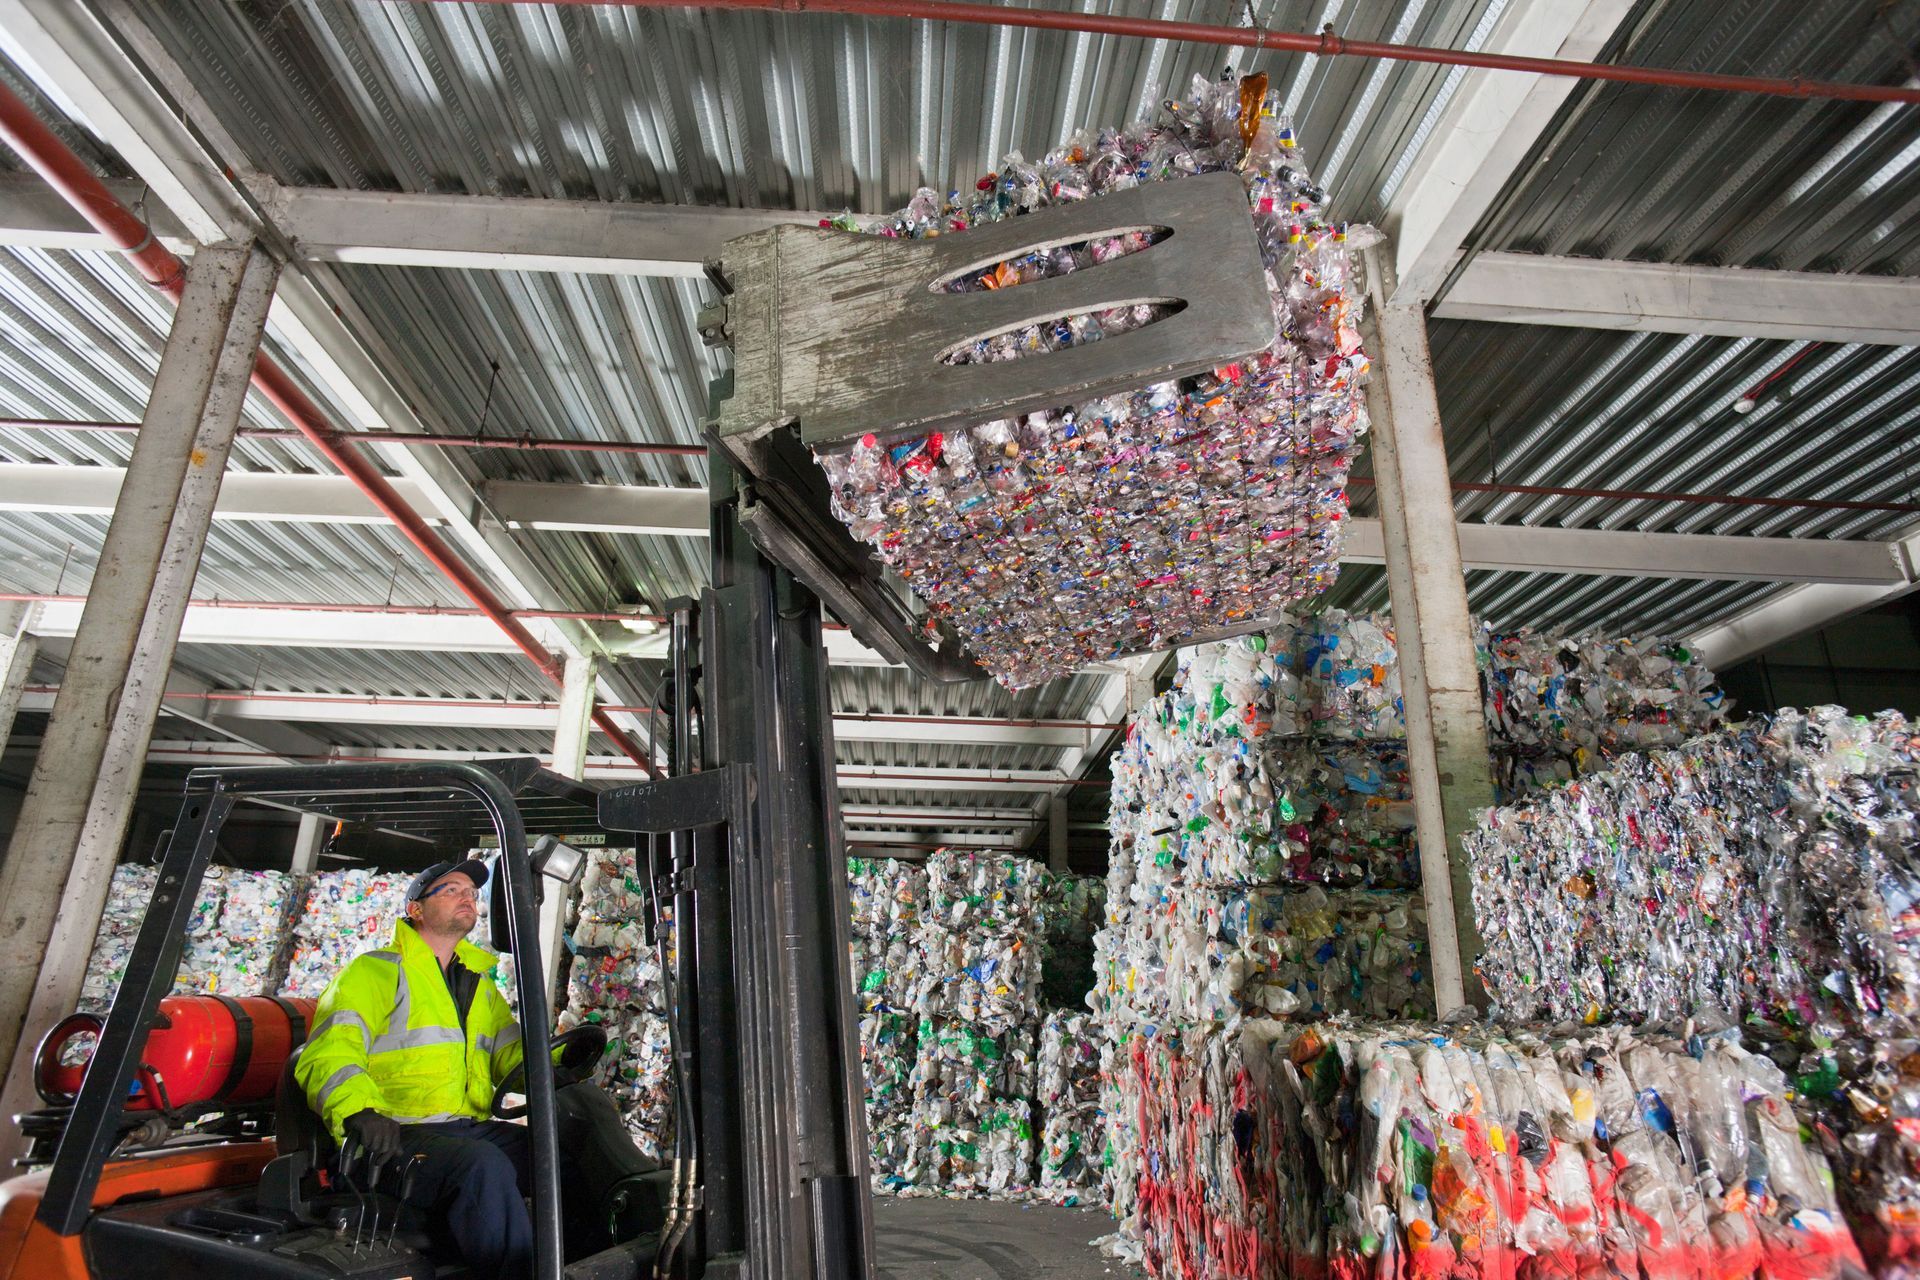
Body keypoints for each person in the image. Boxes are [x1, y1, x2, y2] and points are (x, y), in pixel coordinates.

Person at [296, 858, 540, 1280]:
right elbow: (330, 1051)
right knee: (483, 1165)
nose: (467, 897)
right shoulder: (375, 971)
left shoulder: (479, 985)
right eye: (452, 890)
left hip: (464, 1127)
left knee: (564, 1149)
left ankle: (582, 1264)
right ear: (416, 909)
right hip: (392, 1134)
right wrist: (359, 1111)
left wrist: (561, 1063)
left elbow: (511, 1056)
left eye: (472, 892)